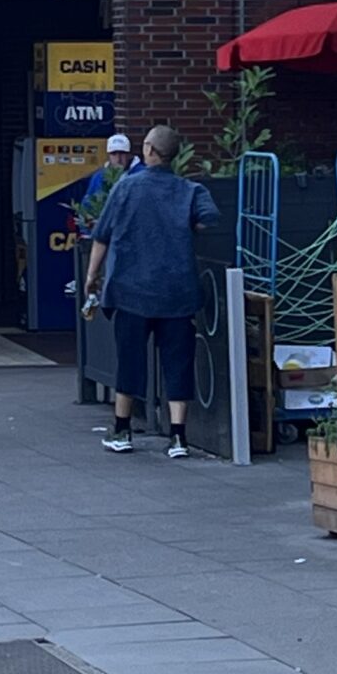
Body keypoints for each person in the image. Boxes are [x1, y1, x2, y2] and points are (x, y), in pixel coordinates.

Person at [83, 124, 218, 457]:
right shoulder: (190, 190)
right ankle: (178, 438)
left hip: (132, 291)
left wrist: (91, 276)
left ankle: (122, 431)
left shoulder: (127, 188)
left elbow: (102, 235)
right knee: (178, 361)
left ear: (148, 150)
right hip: (178, 291)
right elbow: (208, 220)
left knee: (130, 359)